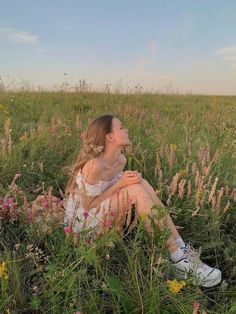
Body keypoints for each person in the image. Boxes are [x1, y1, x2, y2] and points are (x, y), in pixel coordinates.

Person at [64, 113, 222, 288]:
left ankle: (181, 249)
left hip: (103, 209)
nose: (126, 130)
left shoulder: (120, 159)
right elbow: (88, 206)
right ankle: (177, 257)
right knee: (134, 189)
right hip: (84, 223)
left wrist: (128, 179)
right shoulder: (94, 165)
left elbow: (117, 188)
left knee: (141, 182)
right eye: (121, 127)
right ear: (109, 137)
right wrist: (122, 184)